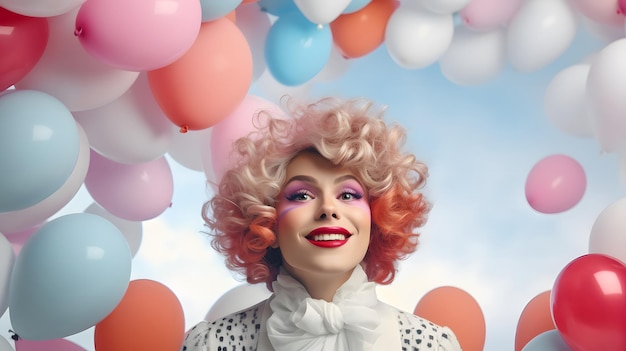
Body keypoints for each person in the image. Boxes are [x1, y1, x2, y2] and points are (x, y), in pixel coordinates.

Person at [182, 97, 462, 351]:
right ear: (267, 223)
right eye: (302, 195)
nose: (328, 208)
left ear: (376, 219)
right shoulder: (212, 344)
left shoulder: (432, 345)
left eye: (348, 195)